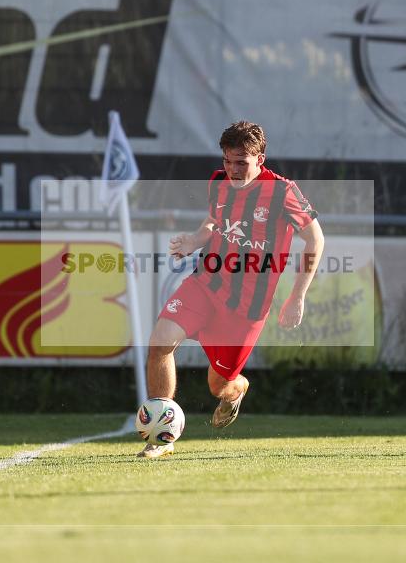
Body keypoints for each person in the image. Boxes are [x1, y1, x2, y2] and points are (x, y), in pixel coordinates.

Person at [138, 120, 325, 458]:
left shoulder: (283, 192)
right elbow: (213, 221)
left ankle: (237, 389)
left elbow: (315, 239)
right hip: (206, 282)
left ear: (260, 159)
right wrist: (196, 240)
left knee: (219, 385)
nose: (233, 170)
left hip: (246, 308)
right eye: (227, 160)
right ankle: (159, 436)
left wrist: (298, 296)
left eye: (242, 162)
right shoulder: (219, 183)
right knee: (159, 343)